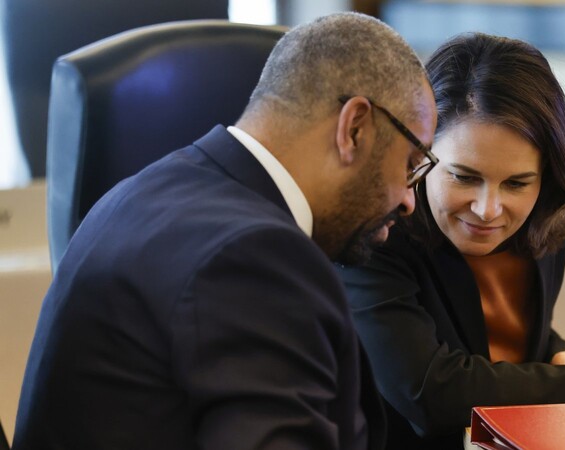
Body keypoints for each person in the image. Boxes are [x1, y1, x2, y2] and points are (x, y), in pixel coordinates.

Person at [13, 12, 437, 450]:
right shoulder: (257, 257)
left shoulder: (144, 189)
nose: (408, 200)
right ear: (354, 129)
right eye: (411, 164)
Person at [338, 33, 565, 449]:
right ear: (422, 153)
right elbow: (429, 393)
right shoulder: (376, 228)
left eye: (517, 183)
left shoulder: (551, 215)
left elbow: (502, 343)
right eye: (464, 177)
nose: (488, 209)